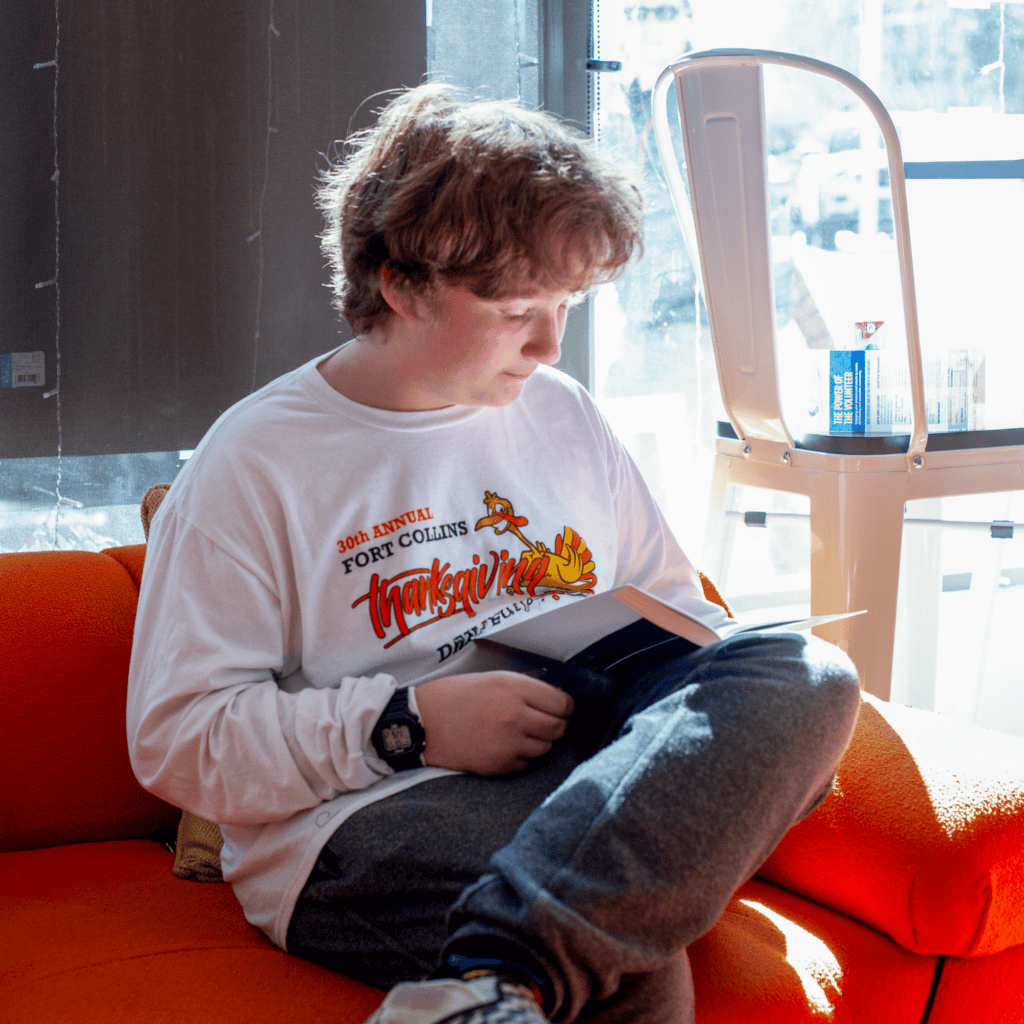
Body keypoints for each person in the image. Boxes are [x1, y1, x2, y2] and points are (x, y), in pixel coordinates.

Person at [127, 83, 861, 1024]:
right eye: (520, 306)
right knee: (627, 969)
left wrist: (685, 661)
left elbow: (678, 614)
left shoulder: (563, 413)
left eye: (568, 303)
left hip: (576, 774)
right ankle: (529, 960)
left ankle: (496, 984)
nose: (551, 343)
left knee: (804, 672)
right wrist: (411, 722)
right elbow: (179, 740)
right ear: (402, 282)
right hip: (368, 818)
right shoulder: (258, 458)